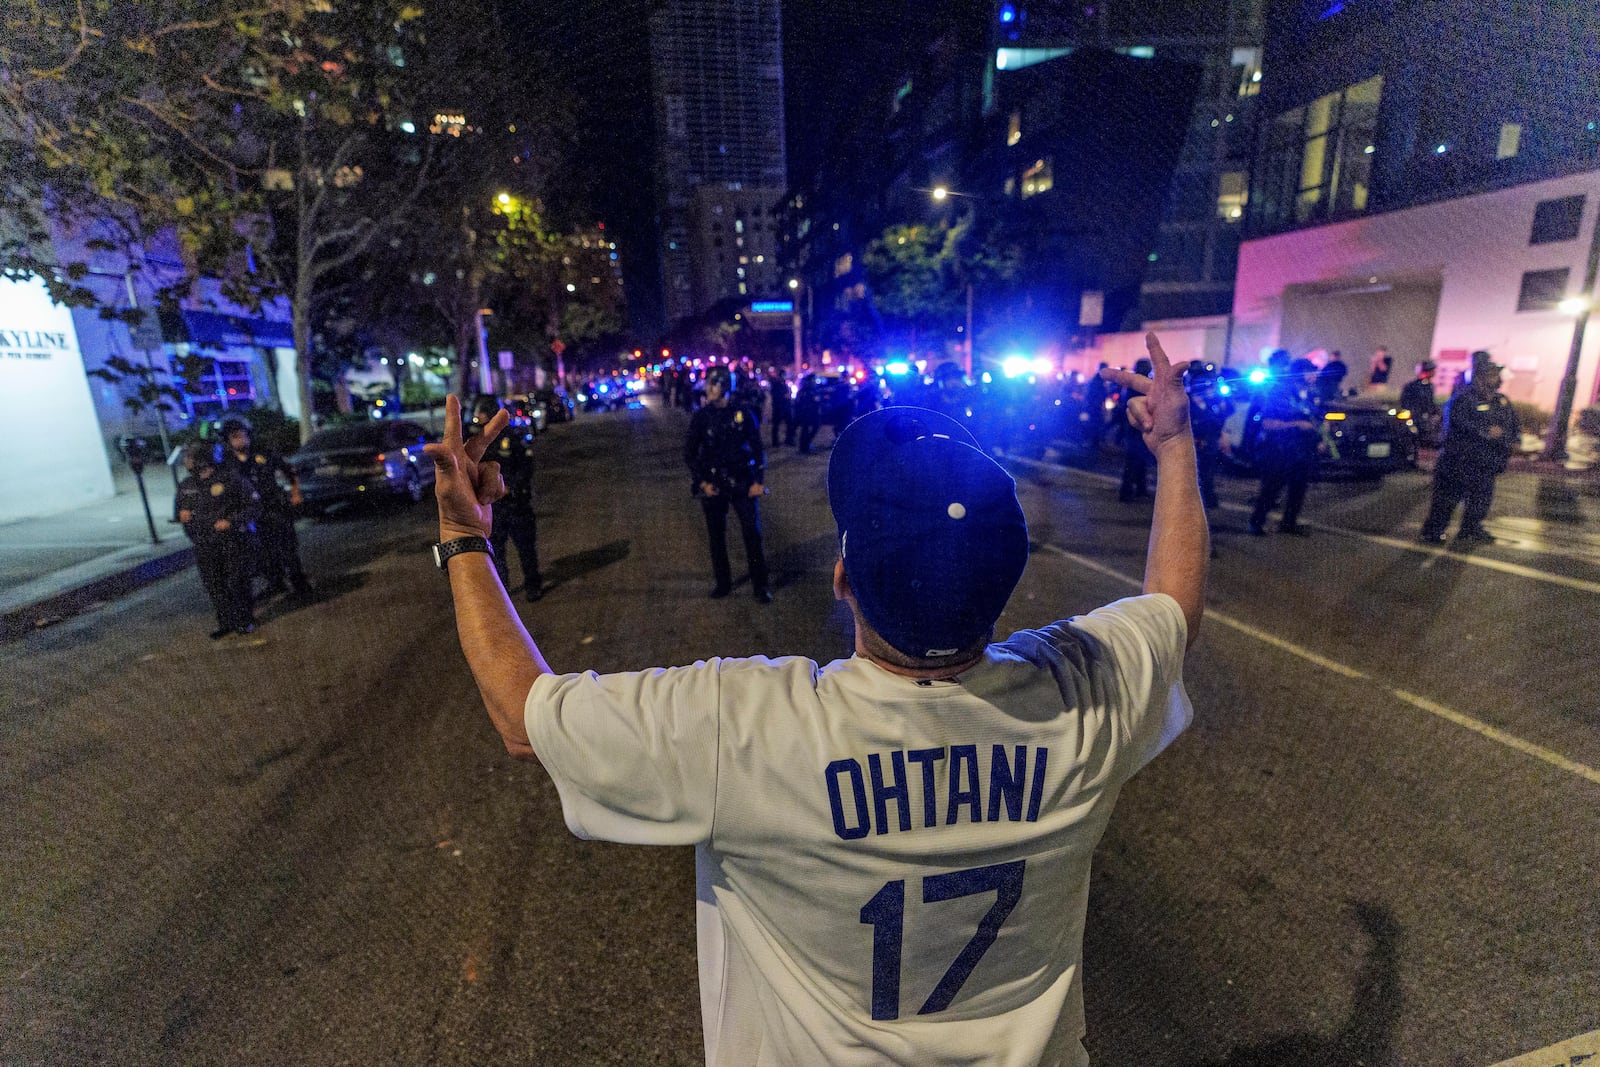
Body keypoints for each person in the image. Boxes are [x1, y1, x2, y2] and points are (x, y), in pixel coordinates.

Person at [423, 330, 1205, 1067]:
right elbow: (1174, 608)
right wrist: (1175, 445)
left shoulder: (746, 725)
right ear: (1005, 585)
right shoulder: (1085, 691)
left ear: (843, 579)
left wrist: (464, 535)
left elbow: (523, 713)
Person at [684, 364, 771, 603]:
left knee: (752, 535)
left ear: (724, 386)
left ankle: (760, 585)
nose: (708, 389)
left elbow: (757, 450)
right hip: (713, 484)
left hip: (742, 481)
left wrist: (757, 482)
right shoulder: (702, 417)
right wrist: (701, 482)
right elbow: (690, 453)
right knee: (716, 536)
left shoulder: (743, 413)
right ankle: (723, 582)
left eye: (712, 384)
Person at [1419, 360, 1519, 545]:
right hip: (1459, 461)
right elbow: (1458, 425)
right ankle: (1433, 531)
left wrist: (1512, 441)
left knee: (1480, 500)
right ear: (1479, 378)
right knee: (1446, 500)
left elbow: (1512, 426)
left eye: (1496, 375)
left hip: (1486, 462)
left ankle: (1471, 528)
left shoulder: (1501, 401)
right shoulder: (1463, 399)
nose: (1496, 379)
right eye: (1491, 375)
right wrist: (1486, 432)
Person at [175, 440, 260, 638]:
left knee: (237, 581)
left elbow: (253, 506)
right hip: (204, 543)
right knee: (214, 585)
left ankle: (244, 619)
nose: (186, 461)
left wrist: (231, 521)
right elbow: (179, 511)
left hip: (231, 541)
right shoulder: (187, 485)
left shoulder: (230, 479)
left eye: (189, 457)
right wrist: (183, 515)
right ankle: (226, 622)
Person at [221, 418, 311, 597]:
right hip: (249, 513)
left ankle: (299, 583)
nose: (239, 440)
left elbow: (289, 472)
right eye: (234, 437)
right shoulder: (227, 463)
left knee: (287, 547)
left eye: (242, 435)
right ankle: (276, 582)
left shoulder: (264, 454)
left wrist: (295, 493)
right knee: (262, 552)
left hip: (273, 506)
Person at [468, 395, 544, 600]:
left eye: (482, 413)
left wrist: (510, 487)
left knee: (526, 548)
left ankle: (533, 585)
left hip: (516, 504)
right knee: (496, 552)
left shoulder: (513, 436)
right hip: (494, 508)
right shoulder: (478, 442)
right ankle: (503, 591)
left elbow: (526, 467)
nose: (478, 418)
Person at [1247, 354, 1321, 536]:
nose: (1314, 376)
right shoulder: (1279, 393)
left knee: (1299, 488)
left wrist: (1319, 438)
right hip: (1280, 449)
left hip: (1304, 450)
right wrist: (1296, 425)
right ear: (1298, 374)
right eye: (1309, 372)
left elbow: (1317, 418)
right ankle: (1256, 522)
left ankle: (1289, 522)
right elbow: (1267, 423)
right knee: (1271, 488)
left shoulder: (1312, 395)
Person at [1116, 357, 1154, 502]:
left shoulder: (1132, 383)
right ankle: (1128, 492)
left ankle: (1139, 489)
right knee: (1134, 461)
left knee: (1139, 460)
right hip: (1138, 426)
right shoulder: (1139, 384)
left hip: (1136, 426)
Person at [1399, 360, 1442, 447]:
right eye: (1432, 370)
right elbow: (1407, 403)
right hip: (1416, 418)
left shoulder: (1429, 386)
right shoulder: (1414, 386)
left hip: (1423, 418)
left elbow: (1430, 403)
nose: (1434, 373)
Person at [794, 372, 824, 454]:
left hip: (813, 413)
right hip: (807, 413)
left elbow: (818, 399)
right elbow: (801, 402)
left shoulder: (814, 389)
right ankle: (804, 447)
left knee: (813, 427)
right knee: (805, 430)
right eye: (813, 379)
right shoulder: (805, 390)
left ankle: (806, 445)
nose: (815, 381)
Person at [766, 366, 794, 448]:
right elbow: (775, 395)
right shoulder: (776, 384)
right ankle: (775, 442)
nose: (785, 377)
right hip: (778, 407)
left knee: (789, 423)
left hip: (785, 407)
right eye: (783, 375)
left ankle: (789, 440)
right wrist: (784, 396)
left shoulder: (784, 384)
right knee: (776, 425)